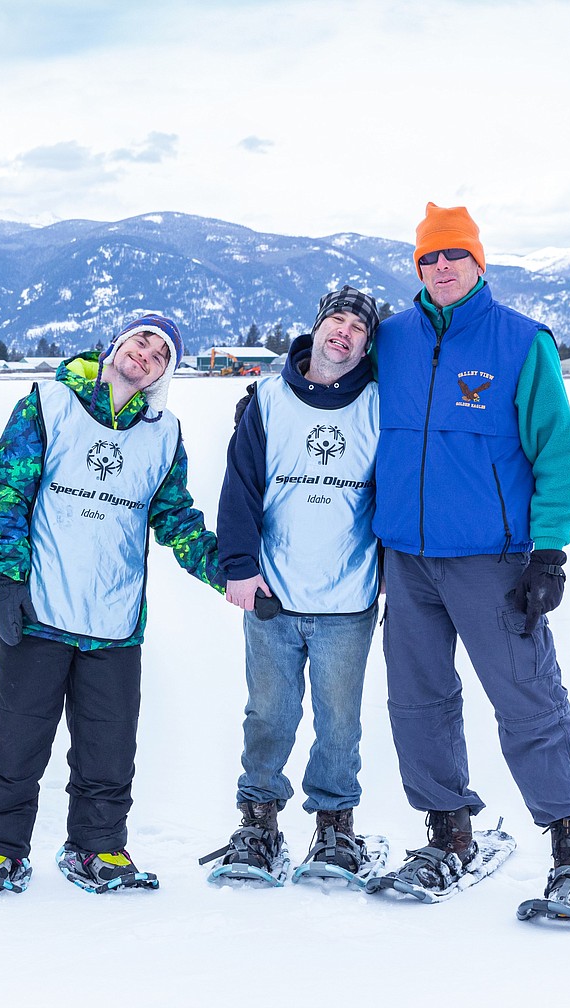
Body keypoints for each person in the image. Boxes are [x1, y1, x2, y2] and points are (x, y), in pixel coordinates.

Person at [375, 203, 570, 912]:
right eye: (429, 258)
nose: (441, 268)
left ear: (479, 263)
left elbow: (556, 454)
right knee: (418, 703)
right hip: (405, 560)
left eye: (454, 256)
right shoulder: (390, 339)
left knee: (528, 701)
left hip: (493, 562)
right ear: (417, 268)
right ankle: (448, 833)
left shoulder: (520, 343)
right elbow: (329, 384)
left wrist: (549, 553)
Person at [0, 312, 224, 895]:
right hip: (41, 612)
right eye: (142, 340)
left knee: (108, 750)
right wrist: (8, 580)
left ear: (163, 374)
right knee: (16, 741)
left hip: (114, 620)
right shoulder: (49, 403)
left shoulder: (163, 432)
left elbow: (175, 517)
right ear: (118, 343)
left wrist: (227, 569)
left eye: (162, 354)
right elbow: (7, 490)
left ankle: (98, 848)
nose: (148, 354)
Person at [207, 286, 382, 883]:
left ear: (366, 343)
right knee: (268, 715)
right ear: (316, 328)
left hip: (348, 597)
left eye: (358, 327)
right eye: (336, 319)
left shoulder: (381, 404)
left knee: (340, 722)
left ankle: (335, 825)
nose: (345, 332)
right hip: (274, 598)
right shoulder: (268, 400)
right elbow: (241, 489)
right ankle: (258, 819)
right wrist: (238, 567)